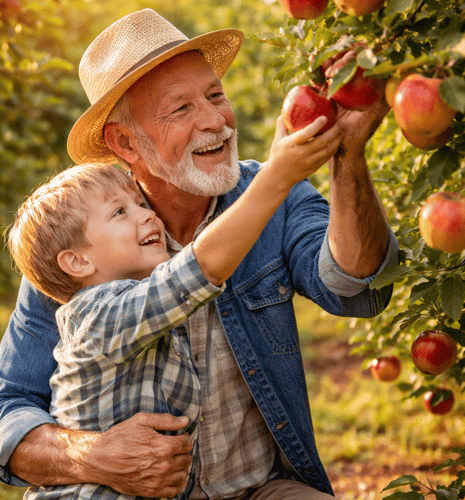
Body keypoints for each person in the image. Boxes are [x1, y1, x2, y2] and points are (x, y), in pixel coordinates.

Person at [0, 8, 399, 500]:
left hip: (256, 488)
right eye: (181, 109)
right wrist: (92, 454)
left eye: (215, 96)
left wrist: (348, 160)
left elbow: (355, 289)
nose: (215, 121)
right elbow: (9, 408)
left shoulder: (274, 197)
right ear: (124, 141)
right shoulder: (81, 244)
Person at [7, 144, 331, 500]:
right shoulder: (96, 316)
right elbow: (197, 272)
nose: (147, 217)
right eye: (119, 212)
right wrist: (275, 179)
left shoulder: (138, 300)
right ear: (78, 262)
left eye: (141, 206)